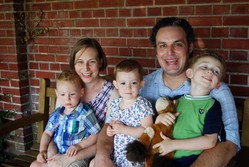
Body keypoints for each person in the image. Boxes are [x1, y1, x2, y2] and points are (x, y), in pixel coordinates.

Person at [94, 17, 240, 167]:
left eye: (177, 44)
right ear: (156, 51)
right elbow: (111, 124)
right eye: (162, 45)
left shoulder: (217, 89)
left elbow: (230, 144)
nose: (169, 52)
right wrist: (102, 156)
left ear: (189, 47)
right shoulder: (139, 84)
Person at [45, 38, 119, 167]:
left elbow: (106, 140)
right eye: (80, 62)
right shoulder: (66, 90)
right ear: (73, 64)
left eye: (91, 62)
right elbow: (55, 128)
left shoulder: (112, 93)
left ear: (100, 62)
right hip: (62, 150)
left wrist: (67, 160)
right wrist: (49, 153)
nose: (86, 68)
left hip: (93, 154)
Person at [153, 52, 225, 166]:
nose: (210, 71)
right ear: (190, 73)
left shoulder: (212, 106)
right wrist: (160, 118)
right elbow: (158, 126)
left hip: (190, 159)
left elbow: (210, 141)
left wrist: (174, 144)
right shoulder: (176, 101)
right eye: (204, 67)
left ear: (218, 85)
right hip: (165, 156)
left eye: (216, 71)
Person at [30, 69, 101, 167]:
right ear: (57, 94)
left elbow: (96, 135)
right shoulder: (57, 114)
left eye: (72, 94)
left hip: (77, 157)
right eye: (62, 94)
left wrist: (79, 146)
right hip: (57, 153)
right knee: (34, 165)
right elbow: (47, 133)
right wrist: (42, 151)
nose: (67, 99)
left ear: (81, 92)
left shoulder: (85, 114)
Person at [106, 59, 154, 167]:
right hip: (118, 154)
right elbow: (114, 123)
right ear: (116, 84)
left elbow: (147, 131)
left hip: (135, 157)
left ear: (141, 83)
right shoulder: (115, 103)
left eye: (133, 83)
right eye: (123, 83)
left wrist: (123, 129)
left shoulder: (142, 105)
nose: (128, 87)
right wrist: (111, 129)